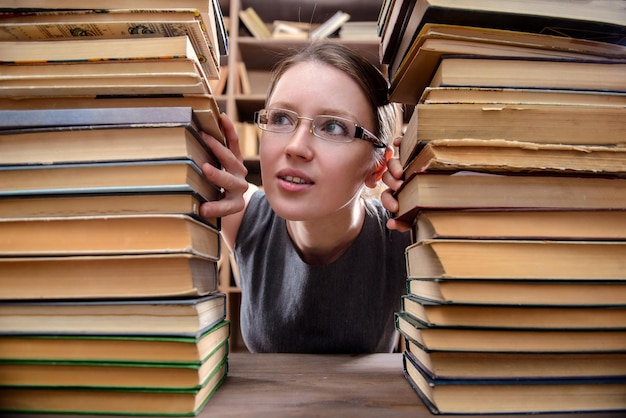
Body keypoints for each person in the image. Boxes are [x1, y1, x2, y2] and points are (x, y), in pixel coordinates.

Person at [198, 41, 411, 353]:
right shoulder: (238, 213)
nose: (295, 147)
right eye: (281, 119)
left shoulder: (403, 234)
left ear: (378, 166)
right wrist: (197, 191)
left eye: (334, 127)